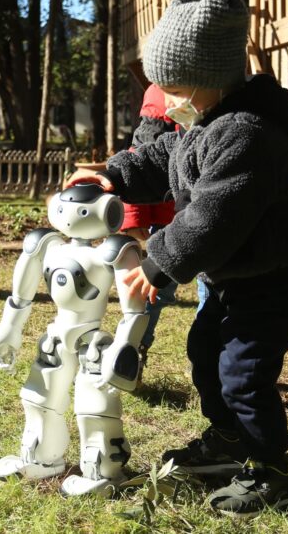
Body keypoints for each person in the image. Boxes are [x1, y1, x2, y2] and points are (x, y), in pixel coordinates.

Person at [66, 0, 288, 517]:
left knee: (244, 375)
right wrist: (112, 173)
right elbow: (160, 155)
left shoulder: (247, 134)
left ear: (208, 78)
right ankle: (229, 441)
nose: (170, 100)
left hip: (275, 272)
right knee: (205, 350)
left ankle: (274, 470)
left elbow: (215, 214)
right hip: (240, 270)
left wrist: (159, 259)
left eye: (176, 87)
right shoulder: (206, 121)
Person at [120, 84, 178, 383]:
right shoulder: (163, 92)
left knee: (218, 297)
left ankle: (222, 366)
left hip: (216, 212)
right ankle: (133, 351)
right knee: (156, 288)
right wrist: (135, 213)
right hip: (171, 216)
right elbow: (145, 152)